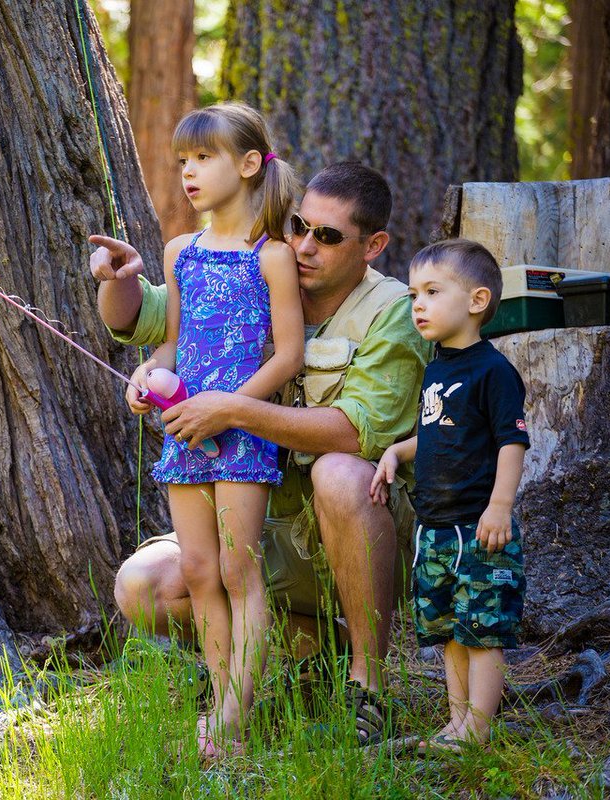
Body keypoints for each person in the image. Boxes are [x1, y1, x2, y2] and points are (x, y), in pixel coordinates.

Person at [90, 162, 432, 745]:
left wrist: (233, 409)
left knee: (340, 475)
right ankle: (311, 654)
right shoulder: (257, 267)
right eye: (299, 226)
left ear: (373, 246)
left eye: (328, 236)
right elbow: (144, 316)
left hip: (357, 535)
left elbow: (354, 433)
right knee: (143, 585)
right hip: (265, 528)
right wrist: (119, 280)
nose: (305, 246)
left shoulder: (392, 311)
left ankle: (367, 686)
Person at [123, 102, 303, 756]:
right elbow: (173, 344)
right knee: (199, 569)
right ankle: (222, 697)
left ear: (250, 164)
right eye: (184, 161)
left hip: (241, 433)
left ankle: (234, 715)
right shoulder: (181, 253)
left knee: (236, 568)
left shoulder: (271, 256)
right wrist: (147, 374)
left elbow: (288, 355)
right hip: (185, 433)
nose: (189, 172)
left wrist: (227, 407)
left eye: (205, 158)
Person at [370, 240, 528, 751]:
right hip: (434, 528)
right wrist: (397, 451)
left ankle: (478, 728)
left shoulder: (493, 371)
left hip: (479, 529)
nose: (418, 304)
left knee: (482, 629)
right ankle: (457, 722)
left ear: (477, 300)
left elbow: (511, 442)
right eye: (414, 294)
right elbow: (436, 433)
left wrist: (499, 507)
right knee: (448, 631)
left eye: (432, 292)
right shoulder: (436, 369)